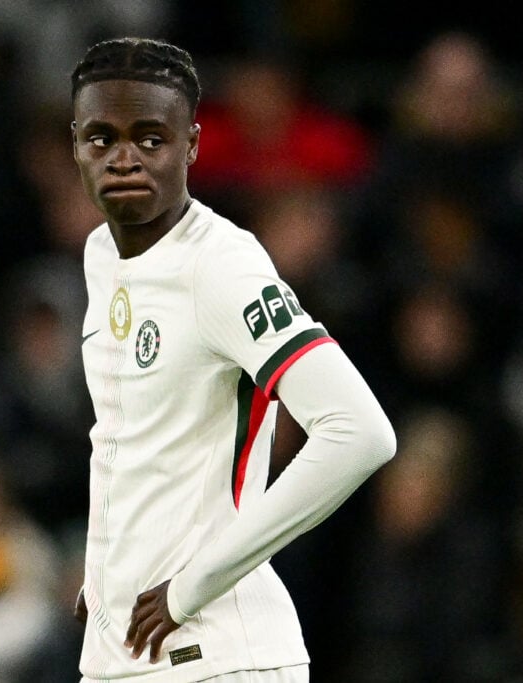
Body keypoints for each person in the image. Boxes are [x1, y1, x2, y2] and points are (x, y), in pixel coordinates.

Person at [69, 37, 397, 681]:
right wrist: (107, 573)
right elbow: (133, 437)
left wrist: (191, 586)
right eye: (102, 139)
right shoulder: (100, 255)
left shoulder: (222, 265)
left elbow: (361, 433)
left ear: (192, 145)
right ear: (75, 144)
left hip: (218, 658)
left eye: (151, 139)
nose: (125, 158)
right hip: (125, 656)